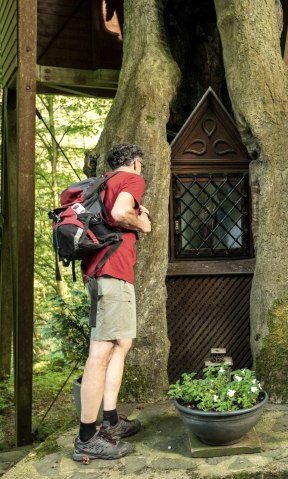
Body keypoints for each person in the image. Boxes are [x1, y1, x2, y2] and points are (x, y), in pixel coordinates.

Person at [73, 143, 152, 461]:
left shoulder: (103, 183)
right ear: (135, 163)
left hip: (102, 271)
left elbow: (113, 214)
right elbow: (120, 213)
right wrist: (141, 223)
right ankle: (87, 438)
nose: (141, 170)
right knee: (101, 351)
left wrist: (136, 214)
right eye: (141, 165)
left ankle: (111, 421)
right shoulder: (132, 180)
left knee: (121, 343)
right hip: (112, 273)